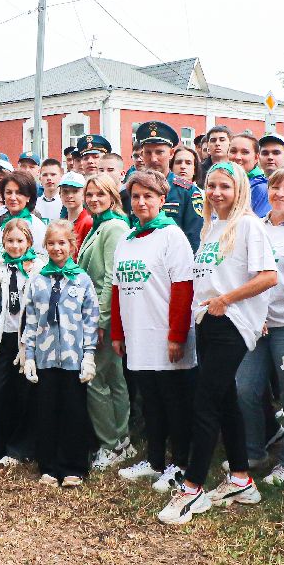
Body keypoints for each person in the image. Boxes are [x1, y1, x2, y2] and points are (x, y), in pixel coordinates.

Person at [158, 160, 276, 525]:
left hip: (231, 324)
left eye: (225, 186)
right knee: (224, 402)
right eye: (211, 186)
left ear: (238, 189)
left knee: (204, 402)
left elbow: (269, 276)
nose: (216, 192)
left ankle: (192, 488)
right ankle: (241, 479)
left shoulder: (248, 226)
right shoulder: (212, 228)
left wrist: (228, 300)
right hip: (208, 322)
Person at [112, 169, 196, 491]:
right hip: (138, 336)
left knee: (174, 402)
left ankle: (179, 463)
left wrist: (177, 335)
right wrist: (119, 333)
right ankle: (155, 460)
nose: (141, 201)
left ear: (162, 200)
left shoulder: (172, 236)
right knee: (150, 403)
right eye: (136, 196)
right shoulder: (127, 239)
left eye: (148, 196)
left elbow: (183, 288)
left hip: (165, 336)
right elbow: (118, 289)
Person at [234, 166, 284, 484]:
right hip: (256, 324)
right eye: (276, 187)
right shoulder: (255, 227)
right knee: (245, 388)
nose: (280, 193)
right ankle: (254, 449)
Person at [21, 219, 101, 487]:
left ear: (72, 245)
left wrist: (89, 355)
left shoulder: (82, 279)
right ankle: (49, 465)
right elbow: (30, 319)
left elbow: (90, 320)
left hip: (73, 358)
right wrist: (28, 355)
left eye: (62, 243)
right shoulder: (39, 281)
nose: (57, 248)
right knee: (46, 411)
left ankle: (73, 466)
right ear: (45, 246)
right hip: (44, 359)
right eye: (52, 243)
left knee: (73, 411)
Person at [77, 171, 133, 471]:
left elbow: (111, 276)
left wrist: (99, 321)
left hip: (104, 314)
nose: (94, 199)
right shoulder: (97, 226)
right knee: (113, 378)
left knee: (97, 380)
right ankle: (121, 438)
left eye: (100, 194)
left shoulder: (113, 227)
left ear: (113, 196)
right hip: (101, 313)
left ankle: (110, 443)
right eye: (90, 194)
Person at [0, 217, 42, 466]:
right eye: (10, 241)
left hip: (27, 340)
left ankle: (20, 448)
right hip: (2, 339)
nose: (15, 246)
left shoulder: (37, 267)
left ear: (28, 242)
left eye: (20, 241)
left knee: (24, 393)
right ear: (3, 242)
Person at [132, 120, 204, 249]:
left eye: (159, 152)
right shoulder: (131, 191)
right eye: (148, 152)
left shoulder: (187, 191)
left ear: (171, 153)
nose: (153, 159)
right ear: (142, 154)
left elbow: (194, 239)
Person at [0, 170, 47, 263]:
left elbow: (42, 261)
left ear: (28, 197)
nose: (13, 198)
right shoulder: (3, 222)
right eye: (9, 192)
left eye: (19, 193)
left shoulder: (35, 225)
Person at [227, 132, 269, 218]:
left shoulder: (261, 188)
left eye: (245, 152)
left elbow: (257, 226)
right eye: (233, 151)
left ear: (256, 158)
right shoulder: (221, 183)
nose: (237, 157)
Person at [57, 171, 93, 250]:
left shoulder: (88, 222)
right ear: (60, 194)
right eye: (65, 191)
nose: (69, 196)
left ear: (84, 194)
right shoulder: (61, 222)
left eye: (75, 191)